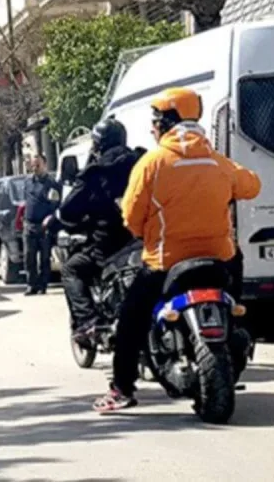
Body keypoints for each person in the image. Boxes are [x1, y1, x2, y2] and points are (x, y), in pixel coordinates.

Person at [93, 88, 261, 412]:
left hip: (165, 263)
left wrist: (147, 233)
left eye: (155, 123)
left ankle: (122, 388)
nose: (153, 129)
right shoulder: (217, 161)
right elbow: (252, 185)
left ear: (165, 123)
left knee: (130, 320)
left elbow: (130, 216)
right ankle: (233, 330)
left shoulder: (153, 163)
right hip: (219, 260)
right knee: (237, 298)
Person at [60, 118, 145, 340]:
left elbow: (69, 210)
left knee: (71, 269)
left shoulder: (95, 173)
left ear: (98, 144)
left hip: (107, 245)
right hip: (145, 240)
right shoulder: (142, 161)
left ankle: (88, 322)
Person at [22, 154, 62, 296]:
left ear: (45, 165)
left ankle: (42, 286)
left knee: (44, 259)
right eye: (33, 165)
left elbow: (57, 204)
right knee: (29, 257)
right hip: (29, 225)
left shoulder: (52, 183)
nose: (35, 168)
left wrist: (50, 218)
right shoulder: (28, 182)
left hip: (44, 226)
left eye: (38, 165)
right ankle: (31, 285)